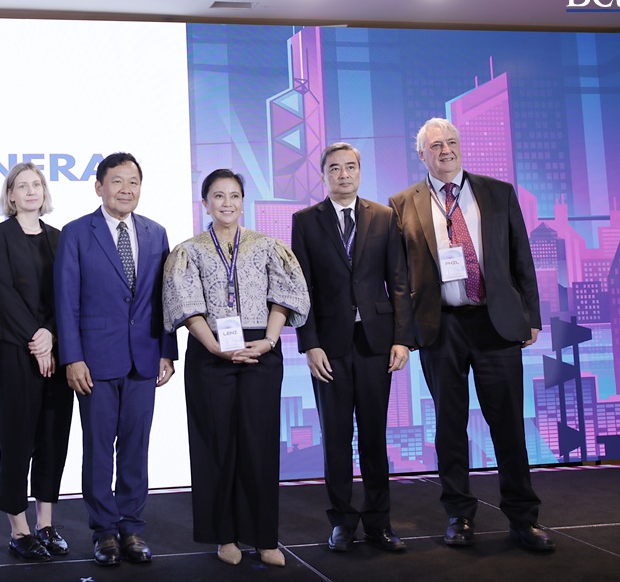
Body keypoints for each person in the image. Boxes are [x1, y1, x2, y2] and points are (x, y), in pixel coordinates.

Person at [388, 118, 553, 552]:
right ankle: (459, 515)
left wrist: (531, 316)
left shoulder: (498, 192)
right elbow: (399, 277)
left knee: (508, 425)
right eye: (435, 145)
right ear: (421, 154)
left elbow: (521, 257)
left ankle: (523, 518)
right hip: (440, 326)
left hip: (495, 323)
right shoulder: (402, 203)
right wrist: (404, 332)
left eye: (451, 142)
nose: (445, 150)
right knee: (450, 426)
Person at [163, 169, 310, 567]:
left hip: (260, 351)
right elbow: (185, 306)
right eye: (218, 196)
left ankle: (264, 537)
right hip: (210, 353)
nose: (226, 203)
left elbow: (284, 297)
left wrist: (270, 340)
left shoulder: (268, 246)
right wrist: (215, 348)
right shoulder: (189, 251)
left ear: (243, 202)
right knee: (216, 445)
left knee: (259, 445)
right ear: (205, 203)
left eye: (234, 195)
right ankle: (224, 536)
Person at [54, 152, 178, 567]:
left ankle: (131, 527)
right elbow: (66, 302)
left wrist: (167, 349)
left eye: (133, 182)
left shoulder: (156, 232)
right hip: (94, 360)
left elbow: (165, 298)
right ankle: (104, 531)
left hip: (145, 357)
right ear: (99, 187)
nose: (126, 189)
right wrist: (72, 358)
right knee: (98, 448)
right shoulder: (76, 233)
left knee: (136, 448)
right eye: (118, 181)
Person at [291, 143, 413, 553]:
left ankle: (379, 522)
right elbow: (302, 288)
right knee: (336, 437)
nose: (343, 174)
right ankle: (342, 522)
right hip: (329, 346)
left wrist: (402, 338)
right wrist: (310, 344)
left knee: (375, 436)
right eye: (334, 168)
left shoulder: (384, 216)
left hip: (376, 342)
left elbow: (399, 280)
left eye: (350, 167)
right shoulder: (305, 221)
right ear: (323, 175)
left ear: (359, 172)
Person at [0, 162, 74, 561]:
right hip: (15, 348)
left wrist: (50, 334)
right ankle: (18, 528)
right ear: (11, 195)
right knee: (17, 437)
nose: (32, 190)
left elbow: (68, 294)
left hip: (57, 348)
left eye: (37, 184)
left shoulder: (59, 237)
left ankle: (46, 524)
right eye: (23, 185)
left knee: (54, 436)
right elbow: (2, 291)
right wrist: (36, 340)